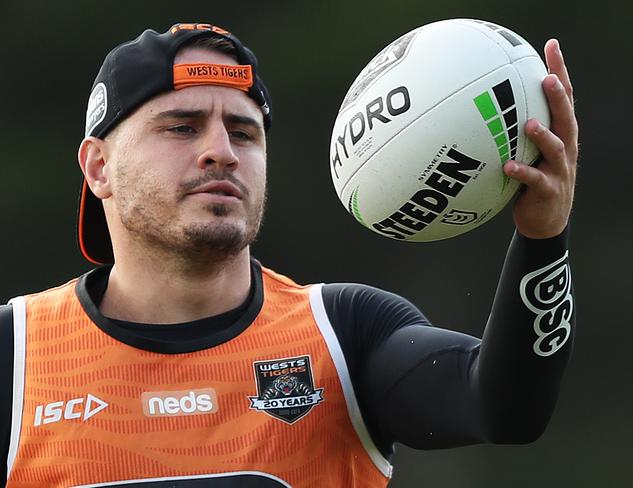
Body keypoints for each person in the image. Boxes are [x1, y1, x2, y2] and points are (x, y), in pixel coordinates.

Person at [0, 22, 577, 487]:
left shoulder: (345, 332)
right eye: (181, 127)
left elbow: (504, 409)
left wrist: (543, 237)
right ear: (99, 167)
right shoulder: (17, 351)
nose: (220, 152)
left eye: (244, 133)